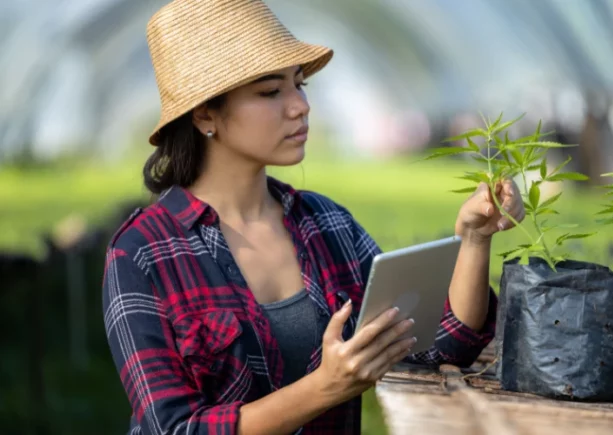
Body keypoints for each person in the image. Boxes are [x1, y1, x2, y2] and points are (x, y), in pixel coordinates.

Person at [101, 1, 526, 434]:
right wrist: (325, 387)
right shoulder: (142, 253)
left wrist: (474, 240)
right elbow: (174, 427)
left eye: (299, 85)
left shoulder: (326, 224)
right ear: (205, 113)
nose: (300, 107)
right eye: (270, 92)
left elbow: (437, 346)